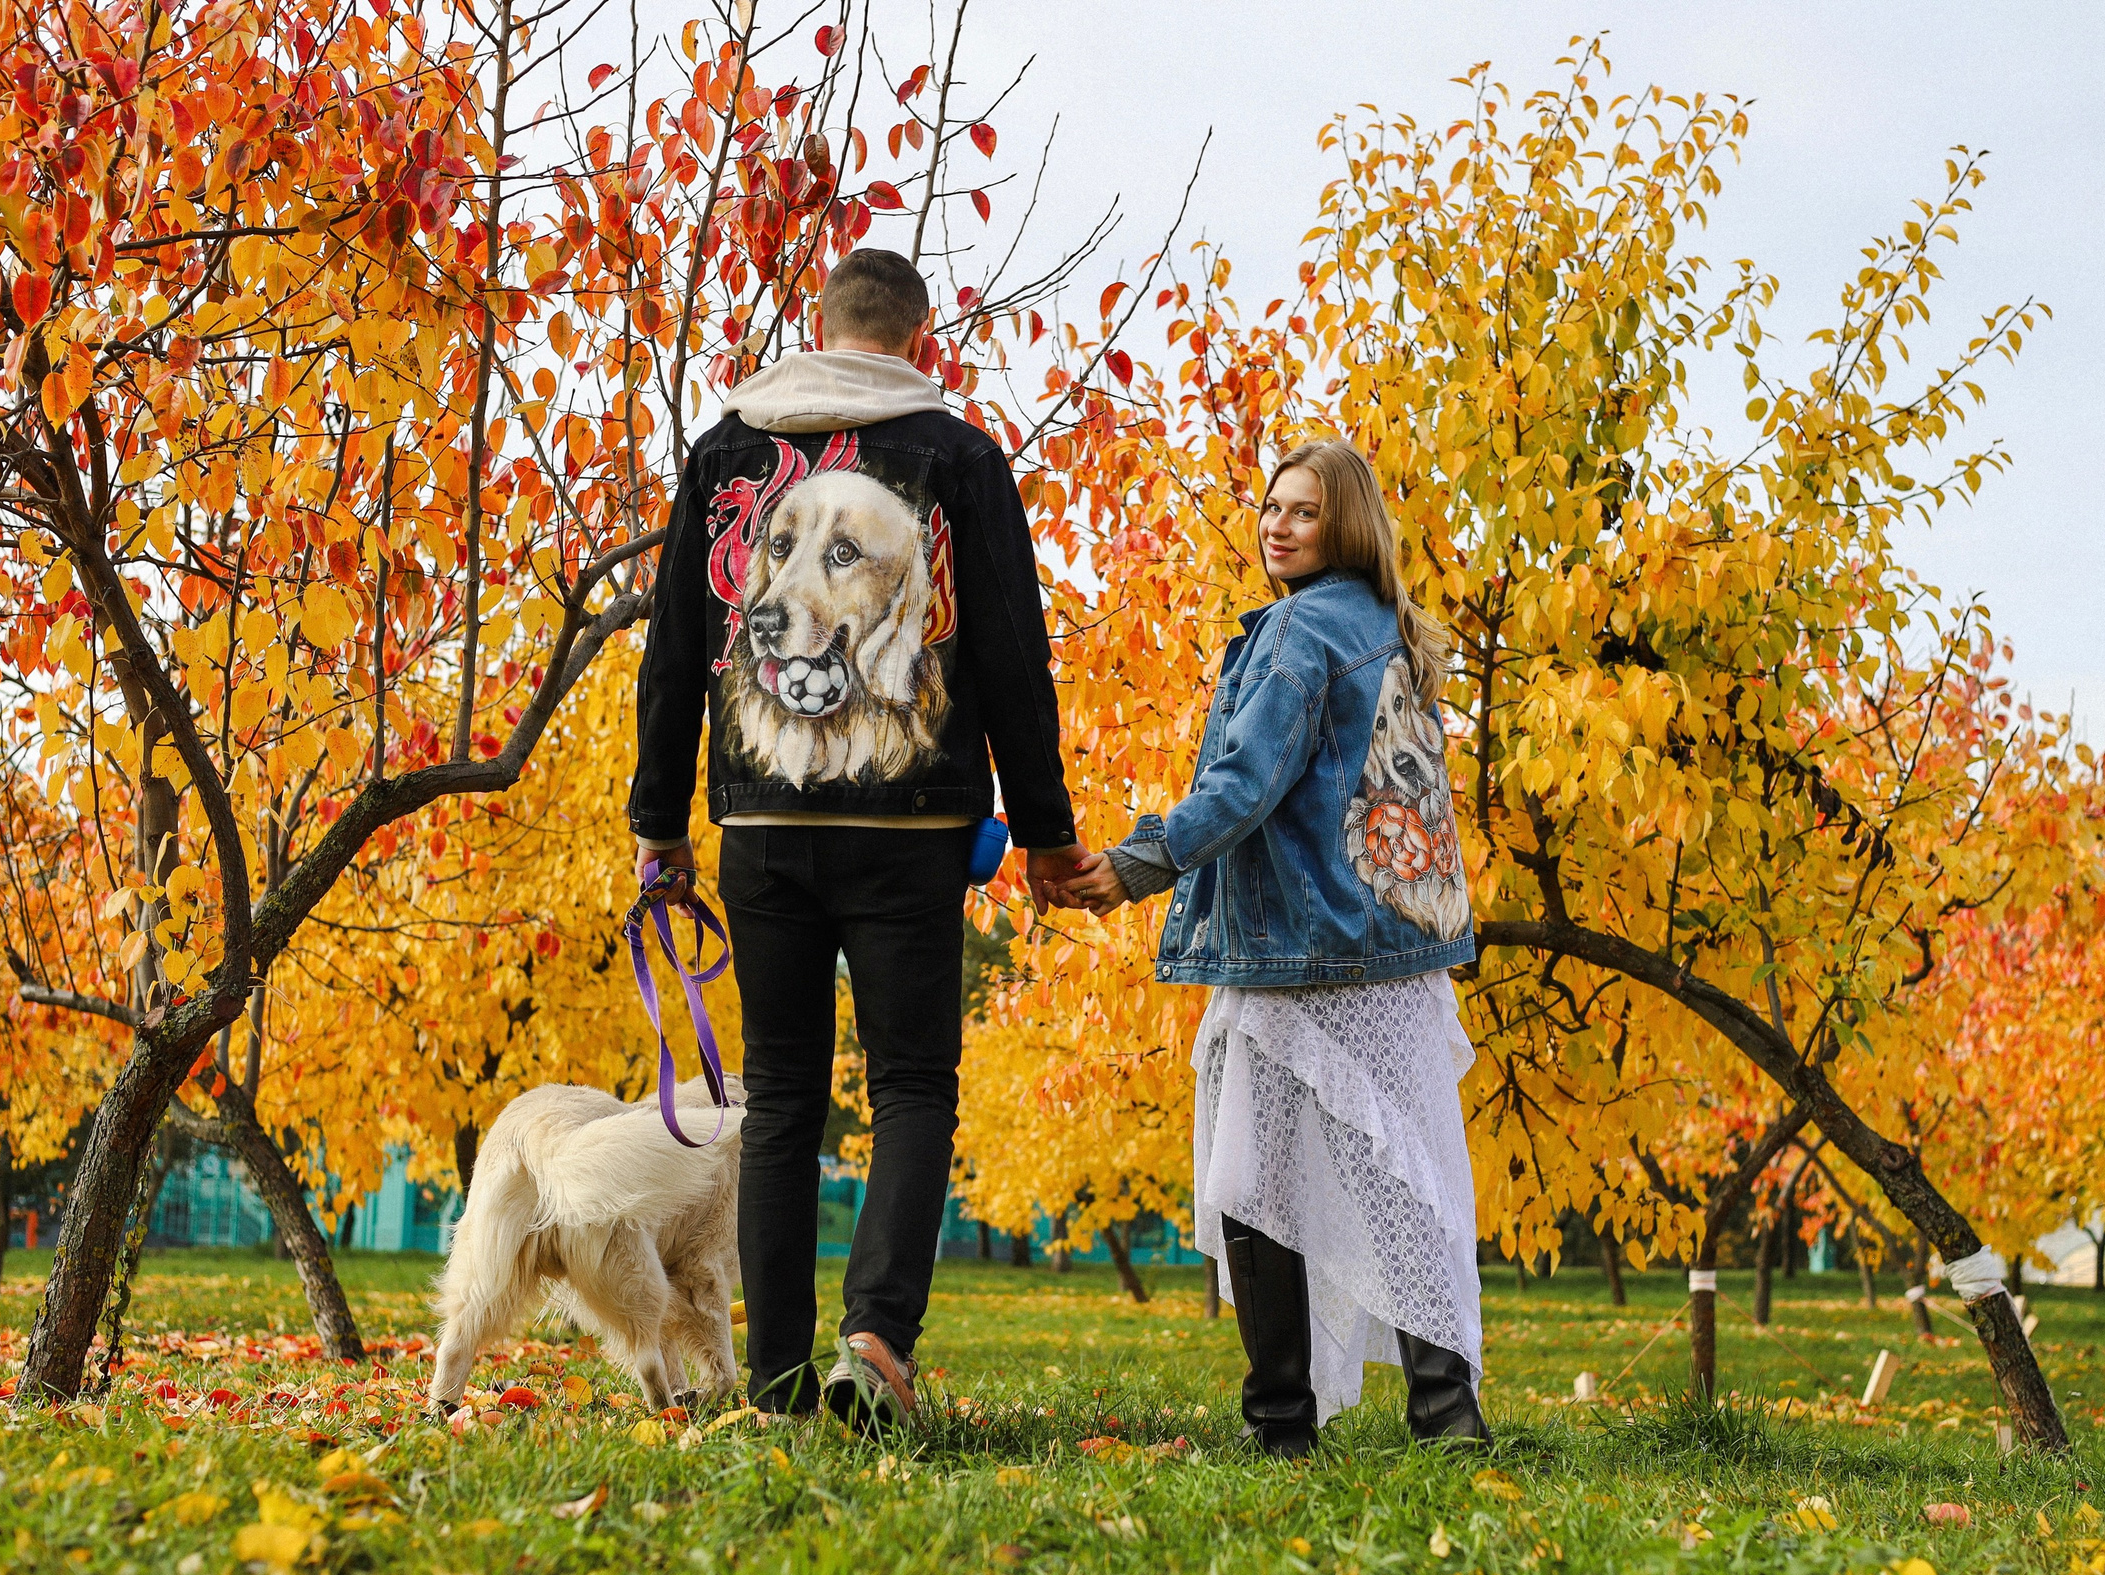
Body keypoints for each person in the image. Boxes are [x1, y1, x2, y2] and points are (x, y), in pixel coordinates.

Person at [628, 248, 1089, 1429]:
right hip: (913, 829)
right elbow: (1010, 651)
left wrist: (658, 823)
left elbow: (673, 648)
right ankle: (876, 1342)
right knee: (912, 1084)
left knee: (781, 1096)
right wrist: (1045, 831)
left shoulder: (726, 447)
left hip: (763, 824)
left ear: (819, 326)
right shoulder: (960, 457)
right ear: (921, 341)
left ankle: (777, 1382)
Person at [1062, 437, 1488, 1458]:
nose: (1277, 527)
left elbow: (1245, 782)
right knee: (1404, 1177)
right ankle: (1447, 1417)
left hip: (1302, 950)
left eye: (1303, 511)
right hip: (1395, 949)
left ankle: (1281, 1422)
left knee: (1255, 1179)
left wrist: (1138, 862)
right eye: (1271, 508)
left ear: (1344, 525)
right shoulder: (1390, 628)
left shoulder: (1299, 631)